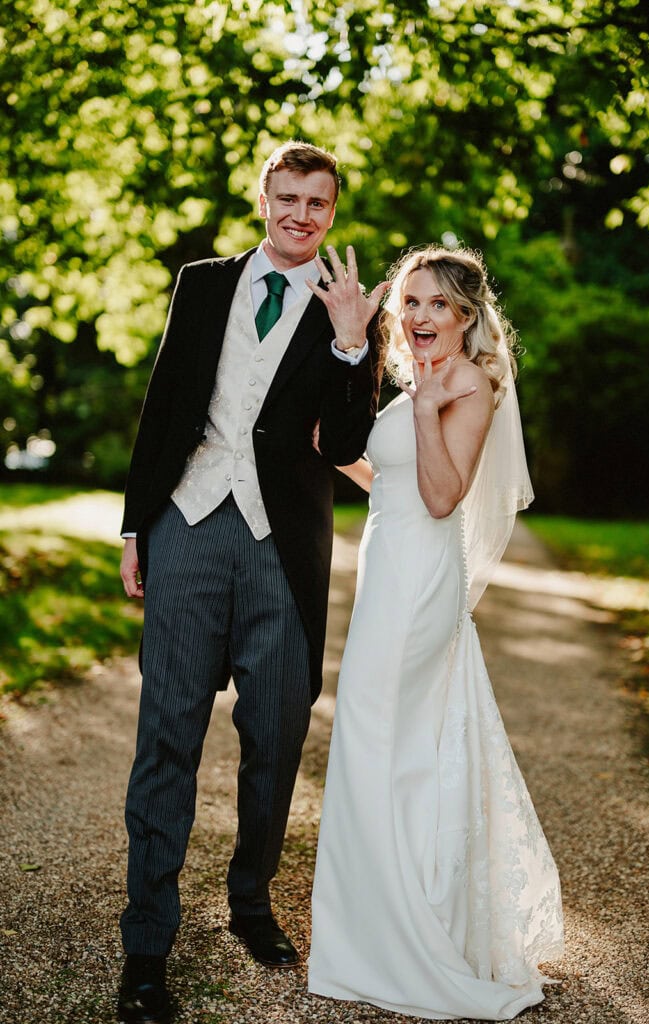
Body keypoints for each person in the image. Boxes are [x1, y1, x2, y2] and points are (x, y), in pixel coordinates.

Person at [116, 141, 388, 1024]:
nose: (300, 214)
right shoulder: (201, 283)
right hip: (186, 527)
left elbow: (347, 446)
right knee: (167, 737)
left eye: (317, 203)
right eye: (287, 197)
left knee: (275, 737)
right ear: (261, 198)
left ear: (332, 213)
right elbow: (162, 405)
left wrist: (353, 344)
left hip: (284, 546)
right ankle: (146, 943)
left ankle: (249, 902)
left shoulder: (350, 309)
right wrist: (133, 525)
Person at [307, 245, 564, 1020]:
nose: (419, 317)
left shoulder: (468, 385)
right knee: (383, 739)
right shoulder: (418, 380)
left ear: (464, 317)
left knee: (378, 734)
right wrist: (337, 450)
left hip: (421, 579)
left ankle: (400, 934)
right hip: (389, 568)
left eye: (436, 306)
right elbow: (391, 477)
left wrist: (421, 409)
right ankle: (370, 925)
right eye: (410, 303)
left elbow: (444, 494)